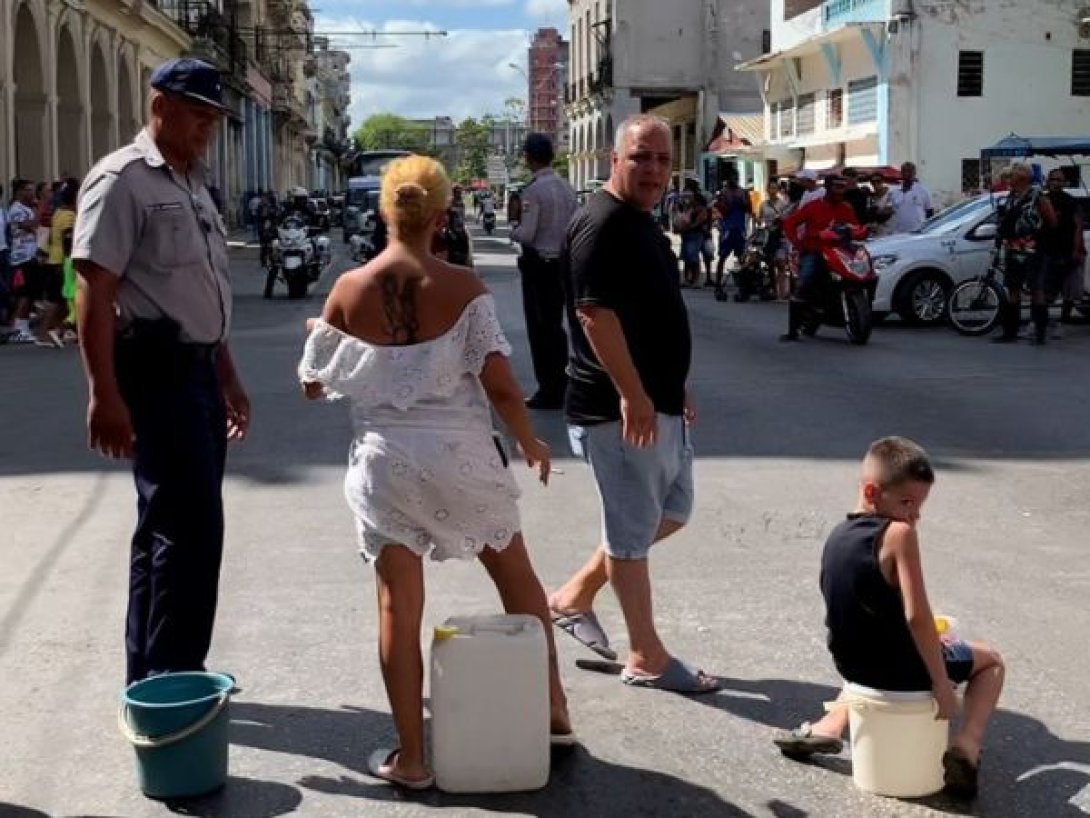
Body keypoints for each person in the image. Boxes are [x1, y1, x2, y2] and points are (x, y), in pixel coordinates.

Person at [298, 155, 574, 790]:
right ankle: (552, 704)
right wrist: (530, 441)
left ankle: (413, 758)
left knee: (399, 605)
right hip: (464, 458)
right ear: (442, 215)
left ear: (383, 212)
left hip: (384, 465)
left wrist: (319, 330)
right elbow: (501, 385)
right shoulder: (465, 289)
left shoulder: (348, 289)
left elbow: (314, 386)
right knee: (517, 577)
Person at [72, 58, 250, 684]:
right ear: (160, 104)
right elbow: (93, 289)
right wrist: (104, 395)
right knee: (189, 530)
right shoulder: (122, 181)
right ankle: (175, 675)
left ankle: (151, 672)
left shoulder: (194, 183)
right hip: (154, 373)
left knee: (170, 530)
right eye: (198, 114)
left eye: (213, 119)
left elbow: (204, 289)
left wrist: (226, 374)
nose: (207, 129)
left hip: (198, 372)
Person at [548, 114, 718, 694]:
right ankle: (645, 653)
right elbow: (595, 314)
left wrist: (673, 382)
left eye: (662, 160)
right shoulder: (601, 224)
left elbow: (651, 312)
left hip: (657, 398)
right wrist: (634, 393)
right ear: (613, 159)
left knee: (671, 511)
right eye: (640, 157)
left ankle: (574, 595)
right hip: (616, 409)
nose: (652, 170)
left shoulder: (640, 221)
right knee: (629, 534)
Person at [773, 437, 1005, 799]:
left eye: (919, 506)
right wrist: (942, 684)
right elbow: (917, 618)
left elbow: (856, 607)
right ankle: (967, 746)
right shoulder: (898, 534)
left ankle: (829, 725)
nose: (914, 515)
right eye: (907, 503)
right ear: (871, 491)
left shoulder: (837, 536)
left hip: (854, 667)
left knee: (875, 643)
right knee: (990, 661)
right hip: (902, 671)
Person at [511, 133, 578, 410]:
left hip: (539, 265)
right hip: (562, 264)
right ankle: (561, 383)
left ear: (529, 157)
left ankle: (548, 389)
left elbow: (527, 234)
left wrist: (512, 229)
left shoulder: (533, 191)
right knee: (555, 327)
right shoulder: (566, 188)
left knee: (540, 330)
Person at [780, 174, 860, 341]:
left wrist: (862, 231)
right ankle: (792, 331)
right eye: (837, 187)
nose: (840, 191)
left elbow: (855, 226)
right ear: (828, 188)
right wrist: (799, 241)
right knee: (804, 282)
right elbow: (790, 223)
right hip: (815, 251)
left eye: (842, 187)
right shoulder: (813, 206)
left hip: (841, 252)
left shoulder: (846, 208)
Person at [992, 163, 1056, 344]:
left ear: (1021, 177)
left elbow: (1052, 221)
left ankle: (1039, 333)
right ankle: (1010, 331)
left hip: (1033, 250)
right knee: (1013, 290)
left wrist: (1036, 235)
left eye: (1011, 176)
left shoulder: (1037, 196)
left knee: (1036, 290)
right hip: (1013, 249)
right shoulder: (1011, 197)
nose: (1008, 180)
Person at [1041, 169, 1087, 329]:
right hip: (1047, 250)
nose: (1056, 183)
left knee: (1069, 290)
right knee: (1046, 290)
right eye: (1053, 179)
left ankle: (1063, 319)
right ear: (1048, 181)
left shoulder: (1071, 202)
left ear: (1064, 183)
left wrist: (1077, 250)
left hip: (1067, 250)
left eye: (1060, 180)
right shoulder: (1041, 200)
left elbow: (1078, 227)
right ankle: (1042, 322)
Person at [37, 177, 79, 348]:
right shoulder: (69, 216)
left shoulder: (58, 213)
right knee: (57, 301)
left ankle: (60, 331)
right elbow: (67, 240)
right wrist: (69, 264)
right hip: (63, 262)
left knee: (62, 301)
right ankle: (46, 332)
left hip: (55, 260)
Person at [6, 179, 42, 344]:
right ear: (20, 192)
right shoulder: (16, 209)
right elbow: (32, 225)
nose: (32, 193)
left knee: (30, 293)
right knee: (24, 294)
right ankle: (18, 328)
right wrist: (42, 205)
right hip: (21, 257)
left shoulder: (28, 208)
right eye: (29, 190)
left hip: (31, 255)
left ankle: (23, 327)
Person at [713, 175, 751, 290]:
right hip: (729, 228)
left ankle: (742, 285)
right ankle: (719, 284)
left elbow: (749, 209)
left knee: (739, 258)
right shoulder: (724, 193)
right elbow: (717, 210)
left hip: (737, 228)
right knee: (724, 257)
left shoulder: (741, 193)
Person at [758, 180, 791, 300]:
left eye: (775, 188)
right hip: (768, 237)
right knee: (771, 264)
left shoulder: (783, 204)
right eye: (770, 188)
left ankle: (784, 291)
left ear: (778, 190)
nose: (772, 190)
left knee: (781, 263)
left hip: (781, 237)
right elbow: (759, 219)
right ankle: (774, 290)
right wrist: (762, 224)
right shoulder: (763, 204)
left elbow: (787, 219)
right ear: (767, 190)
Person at [675, 179, 708, 288]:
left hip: (695, 233)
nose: (686, 197)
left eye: (688, 194)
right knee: (686, 257)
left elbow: (702, 218)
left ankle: (695, 280)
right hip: (686, 234)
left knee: (693, 257)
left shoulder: (699, 205)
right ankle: (687, 279)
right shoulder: (684, 205)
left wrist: (690, 226)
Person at [890, 161, 933, 234]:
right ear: (901, 173)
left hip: (918, 233)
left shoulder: (923, 190)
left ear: (914, 173)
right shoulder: (894, 191)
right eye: (904, 171)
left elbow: (929, 212)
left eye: (909, 171)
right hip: (898, 233)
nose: (907, 174)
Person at [867, 173, 895, 238]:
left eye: (878, 181)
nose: (875, 183)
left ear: (882, 181)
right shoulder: (870, 198)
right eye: (873, 182)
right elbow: (869, 215)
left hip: (891, 233)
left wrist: (874, 213)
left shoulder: (890, 193)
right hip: (877, 234)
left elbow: (887, 212)